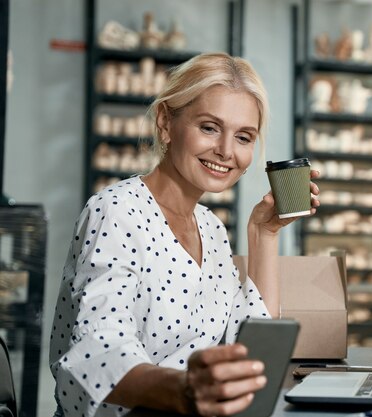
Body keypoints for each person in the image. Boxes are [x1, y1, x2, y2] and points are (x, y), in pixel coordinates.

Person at [49, 52, 320, 417]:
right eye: (209, 127)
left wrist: (264, 234)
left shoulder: (211, 227)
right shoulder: (117, 211)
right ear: (165, 122)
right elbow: (99, 352)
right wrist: (186, 391)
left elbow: (250, 349)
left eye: (243, 137)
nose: (226, 151)